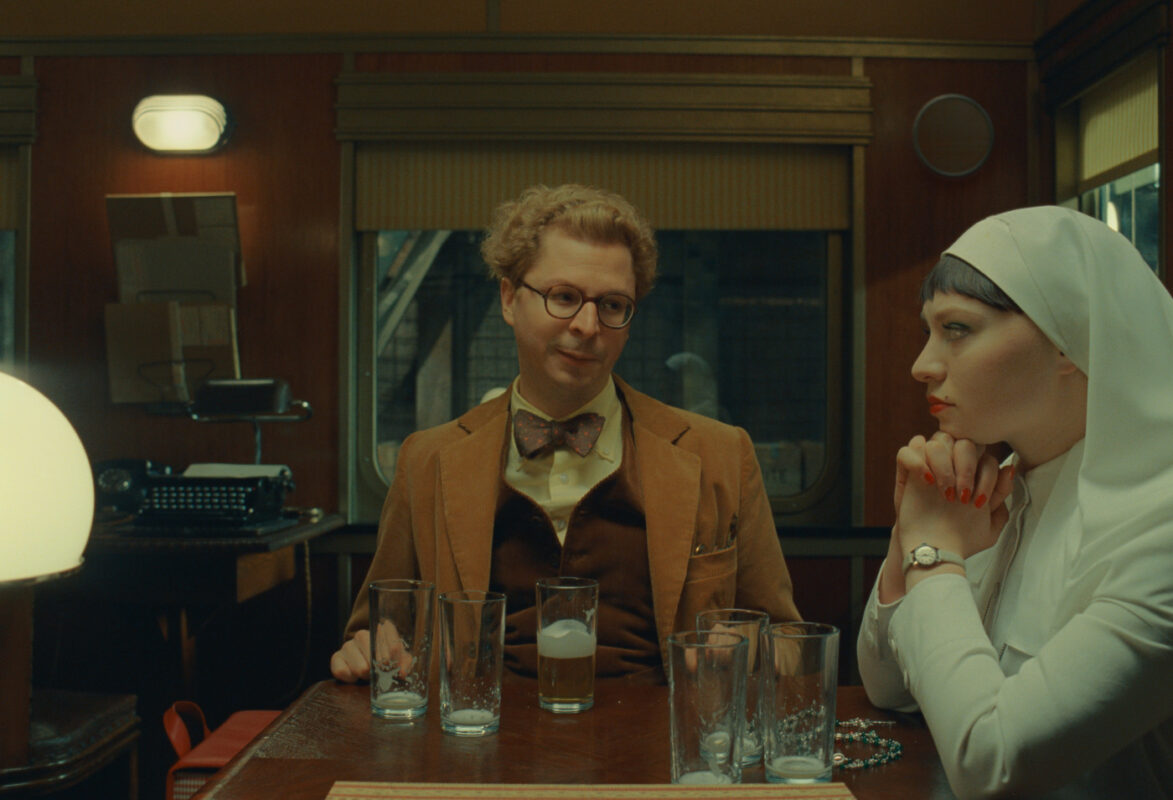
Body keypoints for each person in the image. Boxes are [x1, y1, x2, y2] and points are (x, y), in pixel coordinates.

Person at [332, 183, 800, 683]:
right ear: (509, 299)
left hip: (663, 729)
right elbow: (375, 631)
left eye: (612, 305)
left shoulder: (721, 455)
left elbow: (790, 642)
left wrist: (754, 648)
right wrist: (366, 649)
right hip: (480, 727)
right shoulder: (425, 461)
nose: (587, 325)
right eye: (563, 297)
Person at [857, 206, 1173, 799]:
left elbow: (991, 763)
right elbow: (888, 686)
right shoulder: (991, 489)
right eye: (929, 332)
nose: (922, 366)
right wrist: (911, 539)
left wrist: (934, 553)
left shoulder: (1159, 526)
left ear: (1070, 337)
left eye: (957, 329)